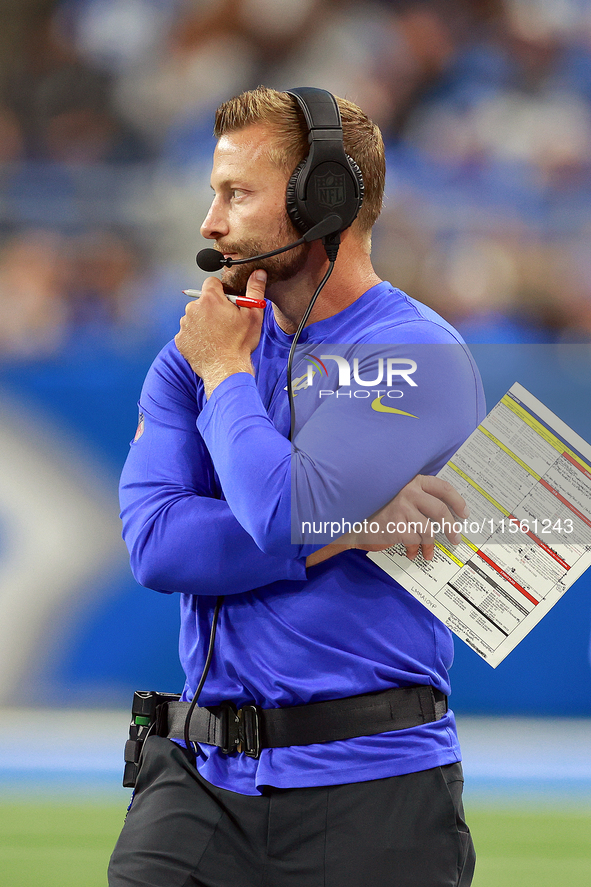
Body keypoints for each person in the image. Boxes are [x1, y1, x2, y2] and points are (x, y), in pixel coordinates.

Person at [108, 86, 485, 887]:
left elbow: (282, 512)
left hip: (373, 784)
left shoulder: (415, 352)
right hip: (196, 780)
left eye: (235, 194)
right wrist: (351, 526)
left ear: (325, 200)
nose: (209, 223)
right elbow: (155, 546)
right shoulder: (195, 348)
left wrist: (225, 373)